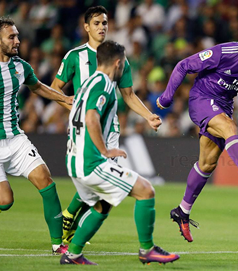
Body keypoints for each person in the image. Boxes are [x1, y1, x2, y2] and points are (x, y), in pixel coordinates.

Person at [60, 40, 178, 265]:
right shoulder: (104, 84)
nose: (124, 68)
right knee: (146, 190)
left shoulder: (87, 83)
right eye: (124, 64)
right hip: (91, 162)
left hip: (74, 158)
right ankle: (147, 250)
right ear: (118, 63)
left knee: (103, 204)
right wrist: (104, 149)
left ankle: (72, 254)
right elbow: (91, 117)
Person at [51, 6, 161, 244]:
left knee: (101, 187)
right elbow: (54, 90)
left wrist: (148, 115)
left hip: (109, 131)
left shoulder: (117, 57)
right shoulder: (74, 57)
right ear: (86, 27)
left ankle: (72, 226)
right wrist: (76, 110)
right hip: (85, 130)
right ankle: (72, 222)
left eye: (105, 23)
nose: (102, 27)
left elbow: (129, 95)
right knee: (101, 185)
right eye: (97, 23)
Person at [156, 32, 238, 243]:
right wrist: (167, 97)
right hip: (201, 99)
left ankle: (182, 211)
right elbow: (183, 65)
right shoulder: (225, 52)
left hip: (223, 106)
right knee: (230, 128)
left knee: (207, 163)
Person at [0, 17, 73, 254]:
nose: (17, 41)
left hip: (16, 138)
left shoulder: (20, 66)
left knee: (45, 180)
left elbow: (38, 87)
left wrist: (64, 99)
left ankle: (58, 244)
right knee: (5, 201)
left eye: (17, 36)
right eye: (12, 37)